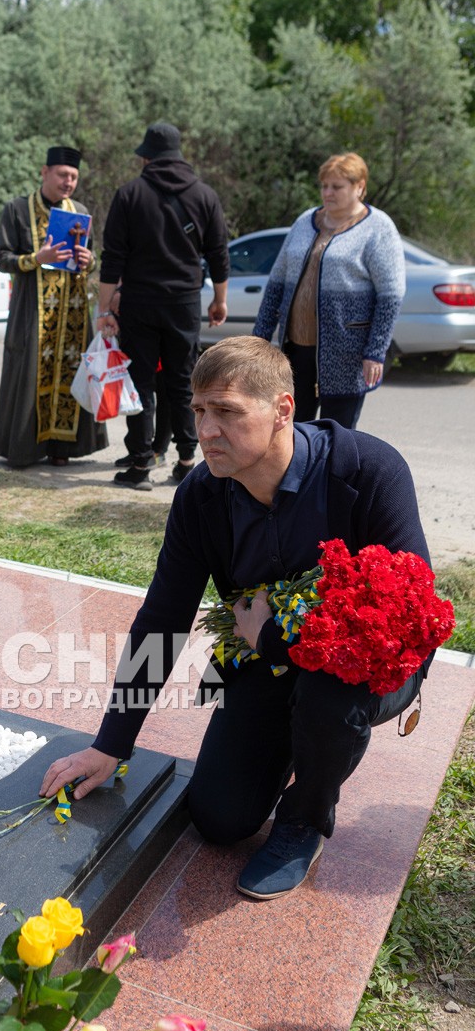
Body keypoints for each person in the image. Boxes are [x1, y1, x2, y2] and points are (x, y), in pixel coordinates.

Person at [40, 337, 433, 900]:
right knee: (220, 819)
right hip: (266, 662)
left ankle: (306, 816)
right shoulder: (202, 497)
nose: (205, 431)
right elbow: (163, 616)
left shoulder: (367, 470)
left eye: (226, 412)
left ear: (282, 410)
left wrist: (272, 634)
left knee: (329, 699)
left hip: (372, 665)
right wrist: (112, 742)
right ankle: (299, 738)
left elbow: (408, 615)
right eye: (199, 410)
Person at [95, 121, 230, 491]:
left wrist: (105, 310)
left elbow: (113, 258)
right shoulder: (204, 195)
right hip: (185, 302)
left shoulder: (129, 194)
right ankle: (188, 460)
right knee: (183, 382)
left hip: (139, 302)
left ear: (145, 157)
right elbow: (218, 253)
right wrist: (220, 299)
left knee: (138, 382)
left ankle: (141, 465)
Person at [254, 152, 405, 429]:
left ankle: (334, 475)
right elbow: (276, 284)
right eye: (324, 186)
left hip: (346, 352)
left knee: (337, 436)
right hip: (296, 349)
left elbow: (391, 295)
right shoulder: (304, 222)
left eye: (337, 187)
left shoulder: (378, 227)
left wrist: (375, 351)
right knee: (291, 430)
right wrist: (259, 338)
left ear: (359, 186)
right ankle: (300, 475)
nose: (327, 192)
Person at [0, 146, 108, 468]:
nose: (68, 182)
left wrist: (89, 260)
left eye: (73, 177)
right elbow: (2, 259)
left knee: (69, 377)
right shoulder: (16, 210)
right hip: (32, 311)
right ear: (44, 173)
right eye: (62, 175)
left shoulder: (80, 210)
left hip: (71, 312)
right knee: (29, 377)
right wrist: (35, 259)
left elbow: (91, 257)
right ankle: (26, 449)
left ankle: (63, 449)